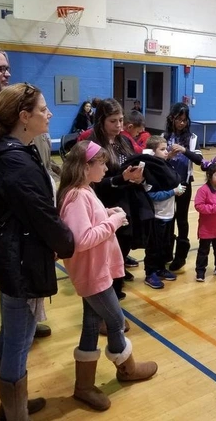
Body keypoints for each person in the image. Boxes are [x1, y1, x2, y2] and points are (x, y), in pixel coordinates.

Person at [0, 83, 75, 419]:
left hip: (14, 257)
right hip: (20, 261)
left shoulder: (13, 151)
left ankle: (12, 406)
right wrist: (66, 243)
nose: (49, 114)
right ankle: (15, 413)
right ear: (24, 117)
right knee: (18, 342)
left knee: (12, 333)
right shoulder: (15, 162)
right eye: (42, 109)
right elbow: (42, 215)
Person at [58, 141, 157, 411]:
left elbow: (90, 221)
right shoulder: (78, 195)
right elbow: (82, 238)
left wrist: (107, 213)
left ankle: (84, 386)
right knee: (116, 321)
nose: (106, 167)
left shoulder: (84, 191)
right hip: (92, 274)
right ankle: (127, 368)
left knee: (92, 325)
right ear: (86, 167)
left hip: (96, 271)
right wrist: (112, 222)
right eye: (101, 163)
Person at [0, 46, 54, 339]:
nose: (7, 72)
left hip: (22, 221)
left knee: (18, 280)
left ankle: (24, 320)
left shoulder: (19, 108)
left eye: (7, 67)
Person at [86, 98, 147, 298]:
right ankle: (109, 290)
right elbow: (93, 182)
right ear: (101, 121)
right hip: (103, 201)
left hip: (126, 199)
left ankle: (116, 282)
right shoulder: (92, 143)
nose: (119, 125)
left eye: (121, 120)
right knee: (108, 247)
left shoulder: (125, 140)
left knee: (125, 241)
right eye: (113, 121)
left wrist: (138, 177)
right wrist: (122, 178)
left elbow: (135, 162)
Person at [163, 102, 204, 271]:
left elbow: (200, 161)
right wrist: (168, 155)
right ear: (172, 118)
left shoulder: (192, 138)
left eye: (184, 120)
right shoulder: (164, 136)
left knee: (182, 218)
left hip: (184, 184)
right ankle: (166, 252)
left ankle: (181, 255)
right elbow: (156, 160)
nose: (181, 123)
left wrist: (184, 150)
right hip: (166, 184)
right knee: (167, 218)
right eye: (178, 119)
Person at [143, 135, 186, 290]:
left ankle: (160, 268)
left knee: (165, 245)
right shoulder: (150, 172)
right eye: (162, 149)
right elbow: (152, 195)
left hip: (168, 214)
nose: (166, 152)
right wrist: (173, 191)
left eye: (166, 148)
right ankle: (150, 273)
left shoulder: (164, 167)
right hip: (157, 216)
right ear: (152, 152)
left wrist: (176, 191)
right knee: (154, 247)